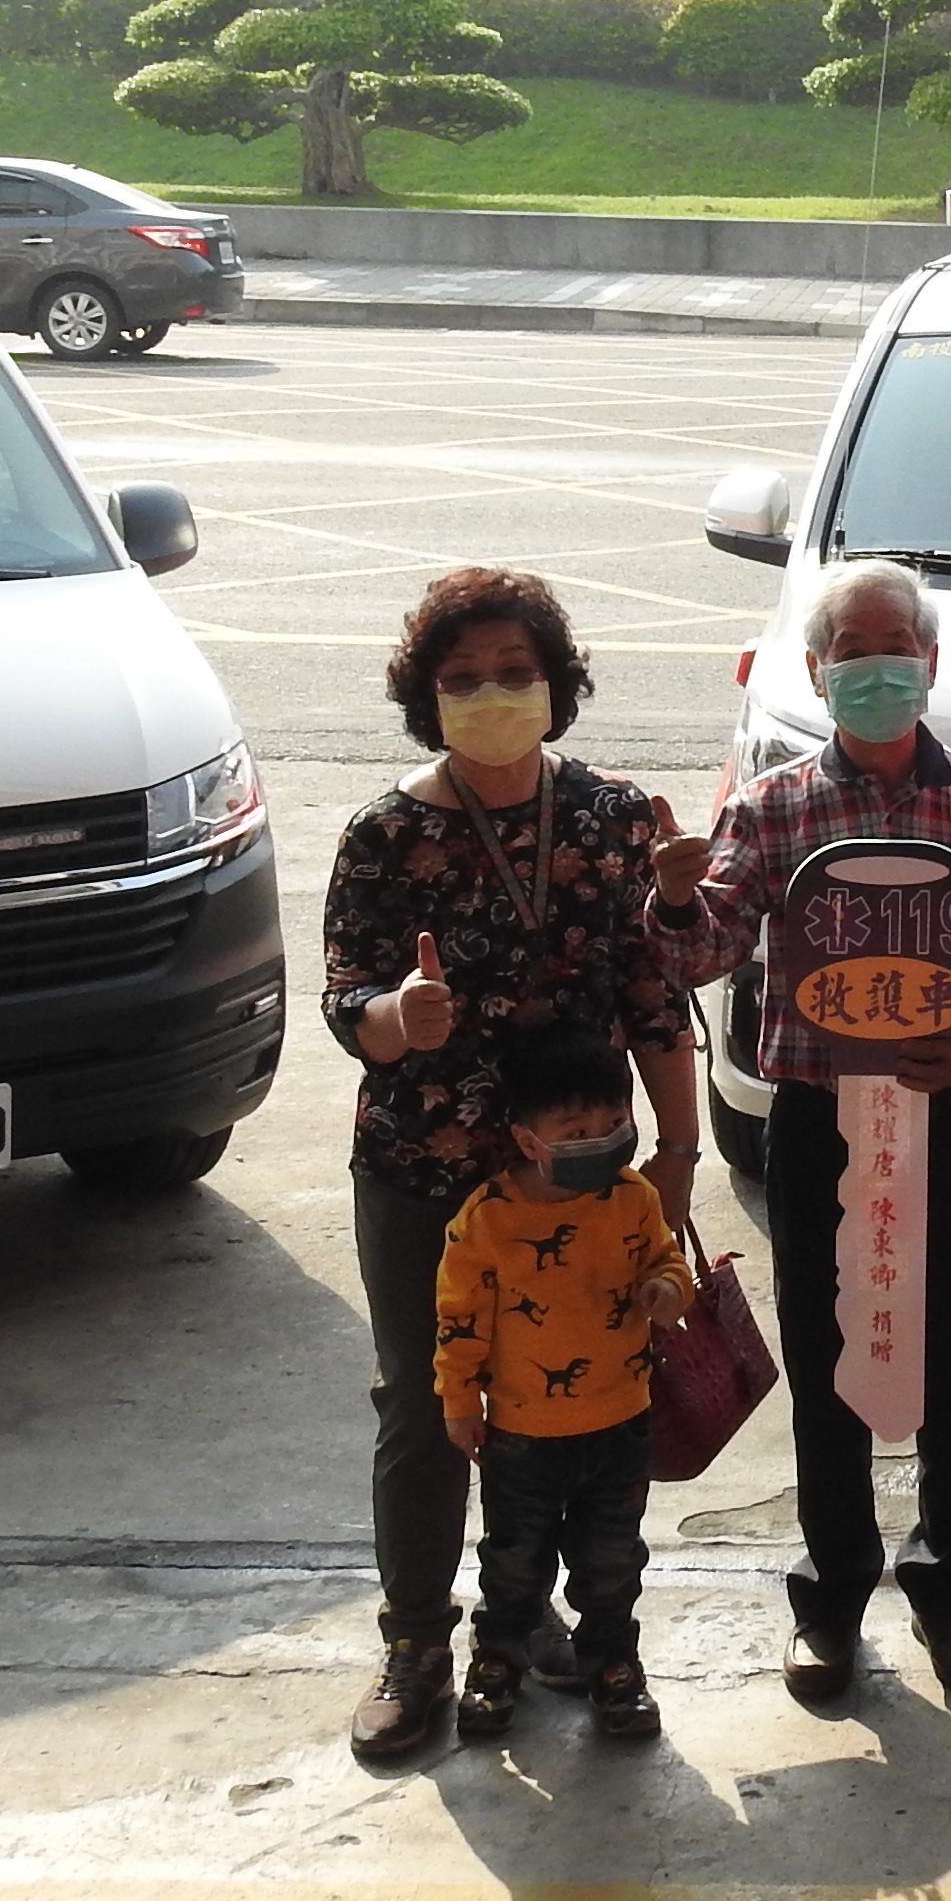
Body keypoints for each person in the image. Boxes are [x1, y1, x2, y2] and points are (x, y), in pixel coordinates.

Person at [651, 557, 951, 1705]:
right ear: (817, 674)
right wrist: (672, 897)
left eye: (895, 650)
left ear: (931, 664)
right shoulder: (772, 807)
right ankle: (830, 1598)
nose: (876, 672)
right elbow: (705, 952)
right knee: (829, 1363)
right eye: (850, 654)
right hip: (824, 1122)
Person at [324, 568, 696, 1770]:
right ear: (426, 698)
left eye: (515, 673)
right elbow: (346, 998)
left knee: (570, 1408)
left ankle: (526, 1617)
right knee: (428, 1408)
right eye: (464, 678)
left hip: (575, 1180)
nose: (492, 694)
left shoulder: (611, 817)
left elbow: (654, 997)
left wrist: (679, 1151)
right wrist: (398, 1018)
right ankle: (415, 1646)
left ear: (557, 686)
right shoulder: (385, 836)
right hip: (426, 1172)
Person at [436, 1029, 695, 1745]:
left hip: (621, 1423)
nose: (601, 1140)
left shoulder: (634, 1197)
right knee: (514, 1563)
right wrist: (459, 1402)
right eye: (577, 1132)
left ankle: (613, 1664)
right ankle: (497, 1661)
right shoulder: (487, 1221)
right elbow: (459, 1322)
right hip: (521, 1437)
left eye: (613, 1123)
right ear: (527, 1140)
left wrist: (668, 1290)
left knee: (612, 1561)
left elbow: (667, 1259)